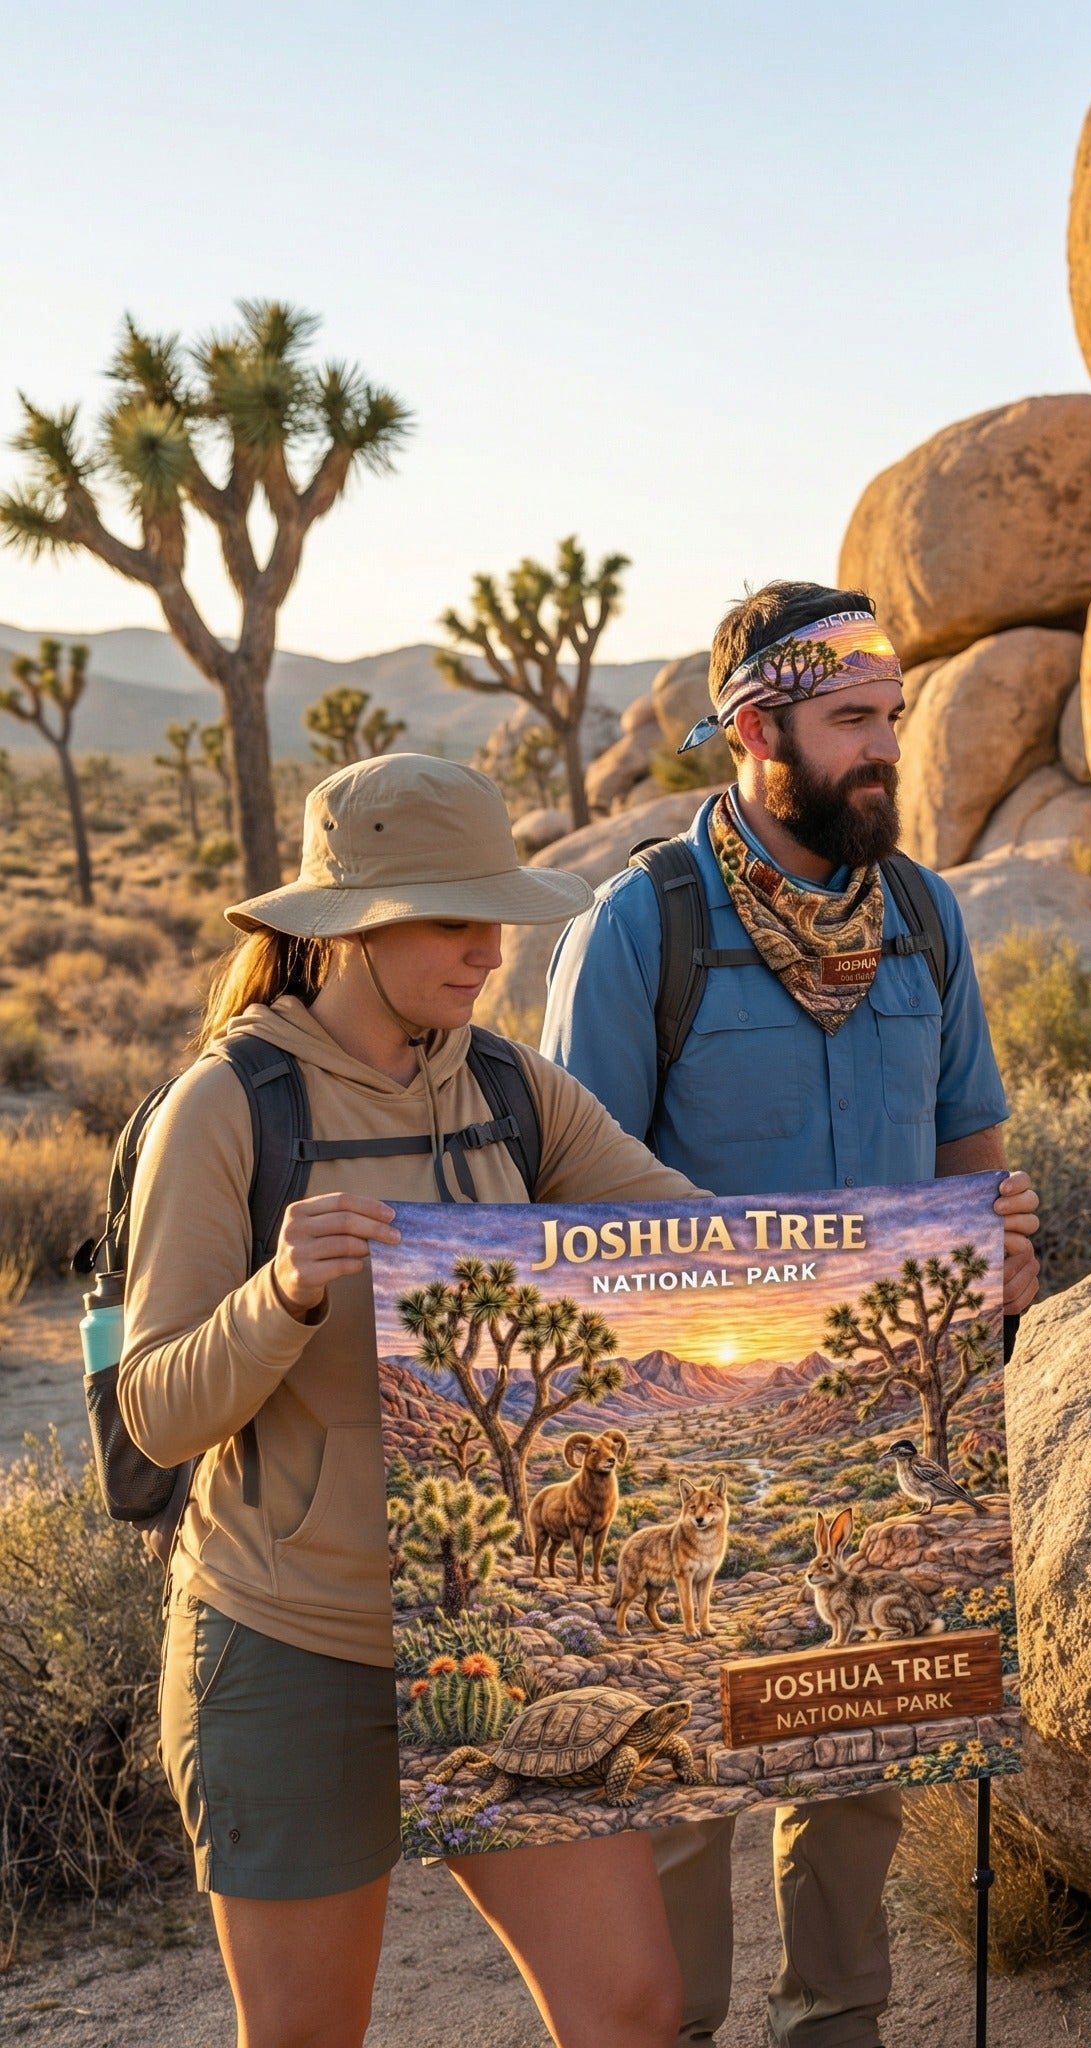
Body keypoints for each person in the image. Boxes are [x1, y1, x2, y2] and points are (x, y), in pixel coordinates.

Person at [121, 755, 710, 2048]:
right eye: (452, 917)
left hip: (487, 1639)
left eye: (494, 914)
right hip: (290, 1648)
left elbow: (699, 1243)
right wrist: (278, 1297)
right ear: (348, 930)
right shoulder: (227, 1111)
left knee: (634, 2007)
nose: (488, 950)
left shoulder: (508, 1092)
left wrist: (932, 1257)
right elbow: (156, 1411)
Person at [541, 579, 1040, 2048]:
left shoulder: (926, 917)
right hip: (689, 1413)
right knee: (689, 1770)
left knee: (856, 1748)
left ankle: (839, 2027)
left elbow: (969, 1142)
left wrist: (996, 1248)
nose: (883, 748)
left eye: (890, 716)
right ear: (756, 732)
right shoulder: (644, 927)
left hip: (874, 1406)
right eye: (850, 722)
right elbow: (569, 1200)